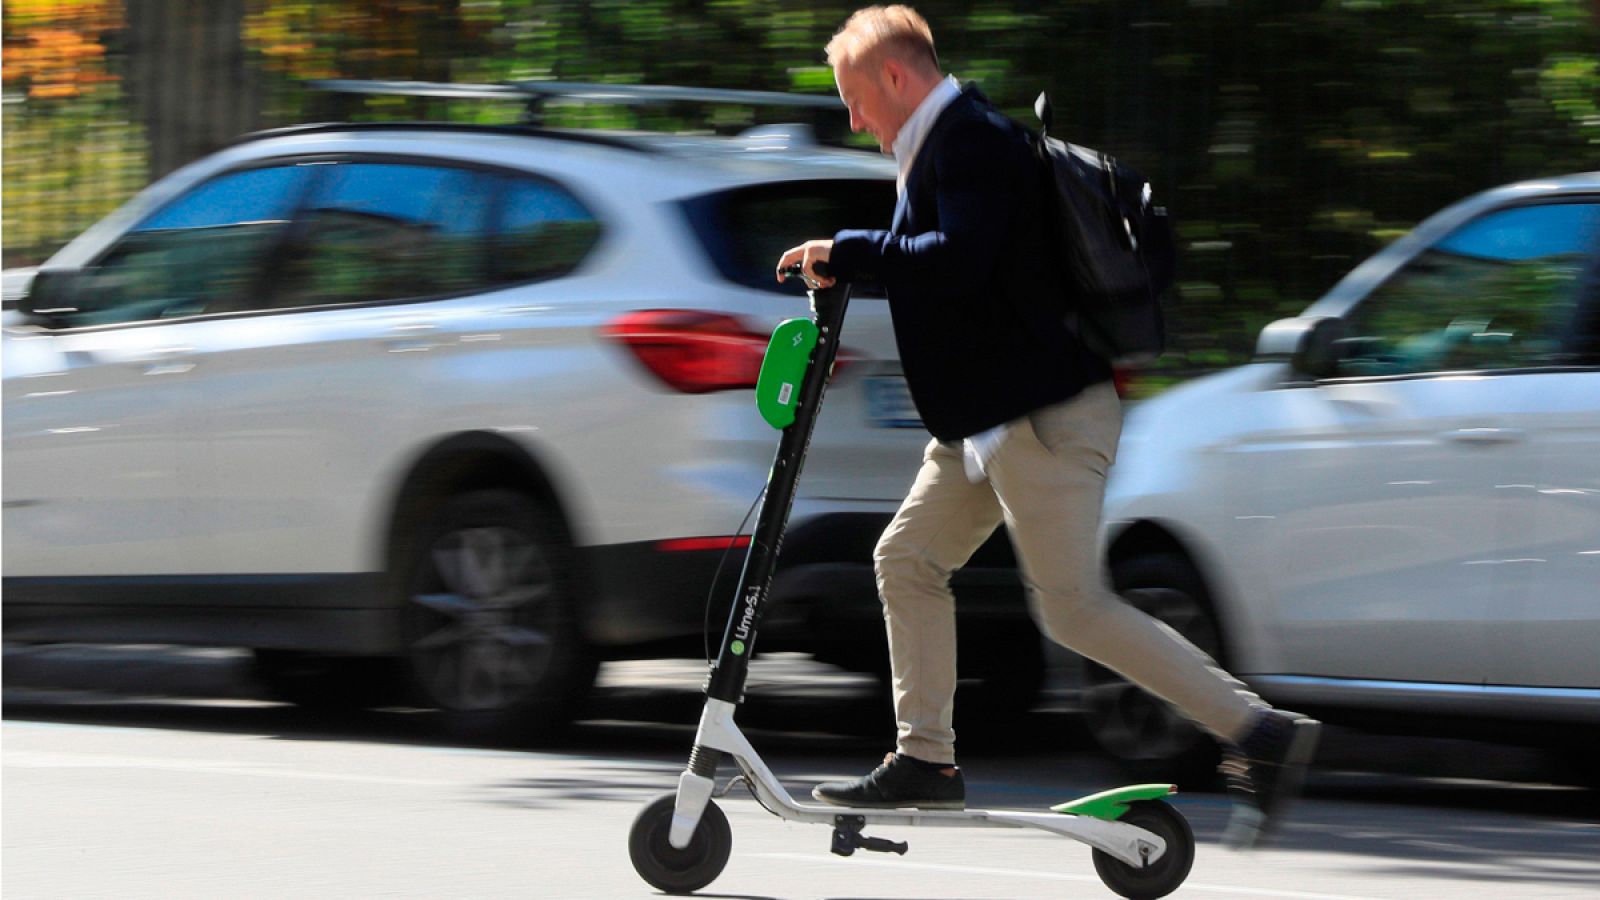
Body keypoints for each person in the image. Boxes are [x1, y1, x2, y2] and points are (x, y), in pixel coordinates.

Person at [776, 4, 1320, 849]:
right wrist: (849, 254)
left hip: (1044, 421)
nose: (853, 120)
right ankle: (925, 758)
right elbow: (955, 268)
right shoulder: (942, 146)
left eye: (855, 99)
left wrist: (849, 251)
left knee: (1071, 609)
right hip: (986, 424)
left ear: (895, 77)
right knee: (907, 560)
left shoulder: (975, 142)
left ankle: (1258, 732)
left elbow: (956, 260)